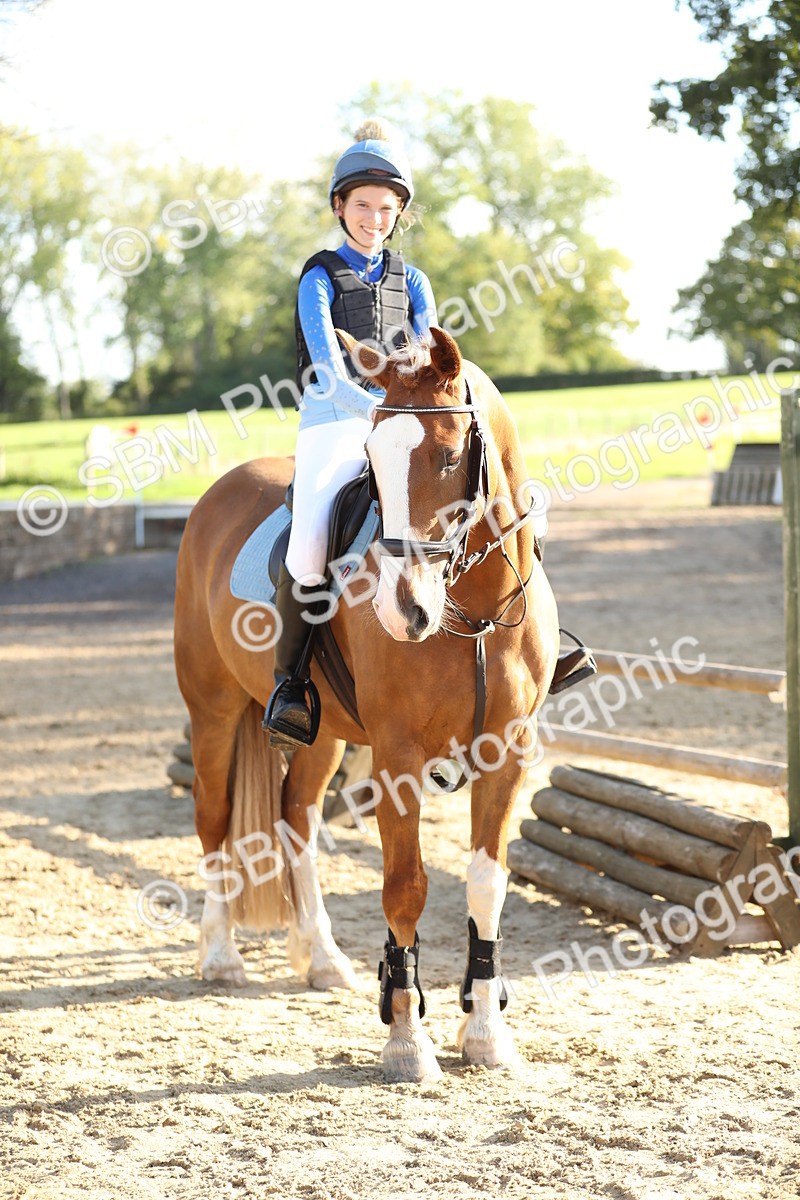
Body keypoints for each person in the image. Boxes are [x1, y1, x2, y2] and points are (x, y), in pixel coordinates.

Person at [264, 120, 437, 750]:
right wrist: (376, 411)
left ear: (399, 215)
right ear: (340, 206)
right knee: (310, 543)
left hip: (404, 426)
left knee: (480, 496)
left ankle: (528, 641)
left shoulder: (414, 282)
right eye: (362, 205)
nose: (374, 219)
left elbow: (429, 357)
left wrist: (414, 413)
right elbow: (330, 372)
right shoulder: (318, 277)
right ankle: (290, 686)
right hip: (334, 423)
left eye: (386, 209)